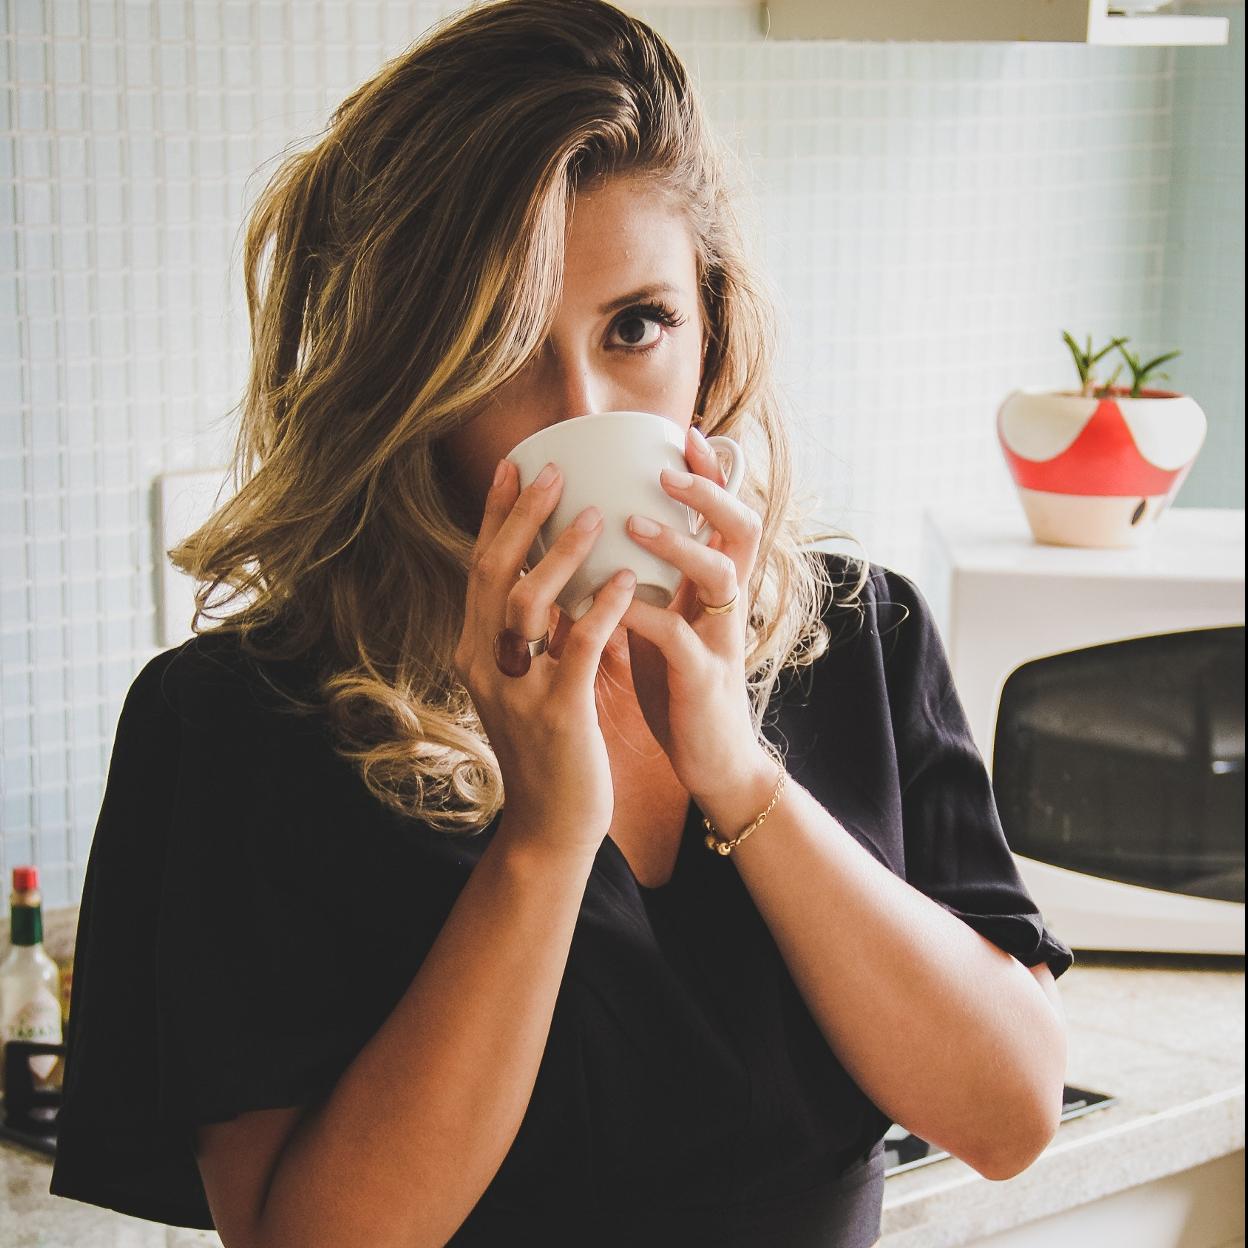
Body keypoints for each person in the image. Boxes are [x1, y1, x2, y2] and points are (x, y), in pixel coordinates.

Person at [47, 2, 1074, 1245]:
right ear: (407, 374)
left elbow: (1012, 1117)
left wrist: (736, 769)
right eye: (498, 346)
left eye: (636, 326)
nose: (578, 408)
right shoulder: (237, 727)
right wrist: (543, 840)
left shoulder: (854, 638)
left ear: (714, 329)